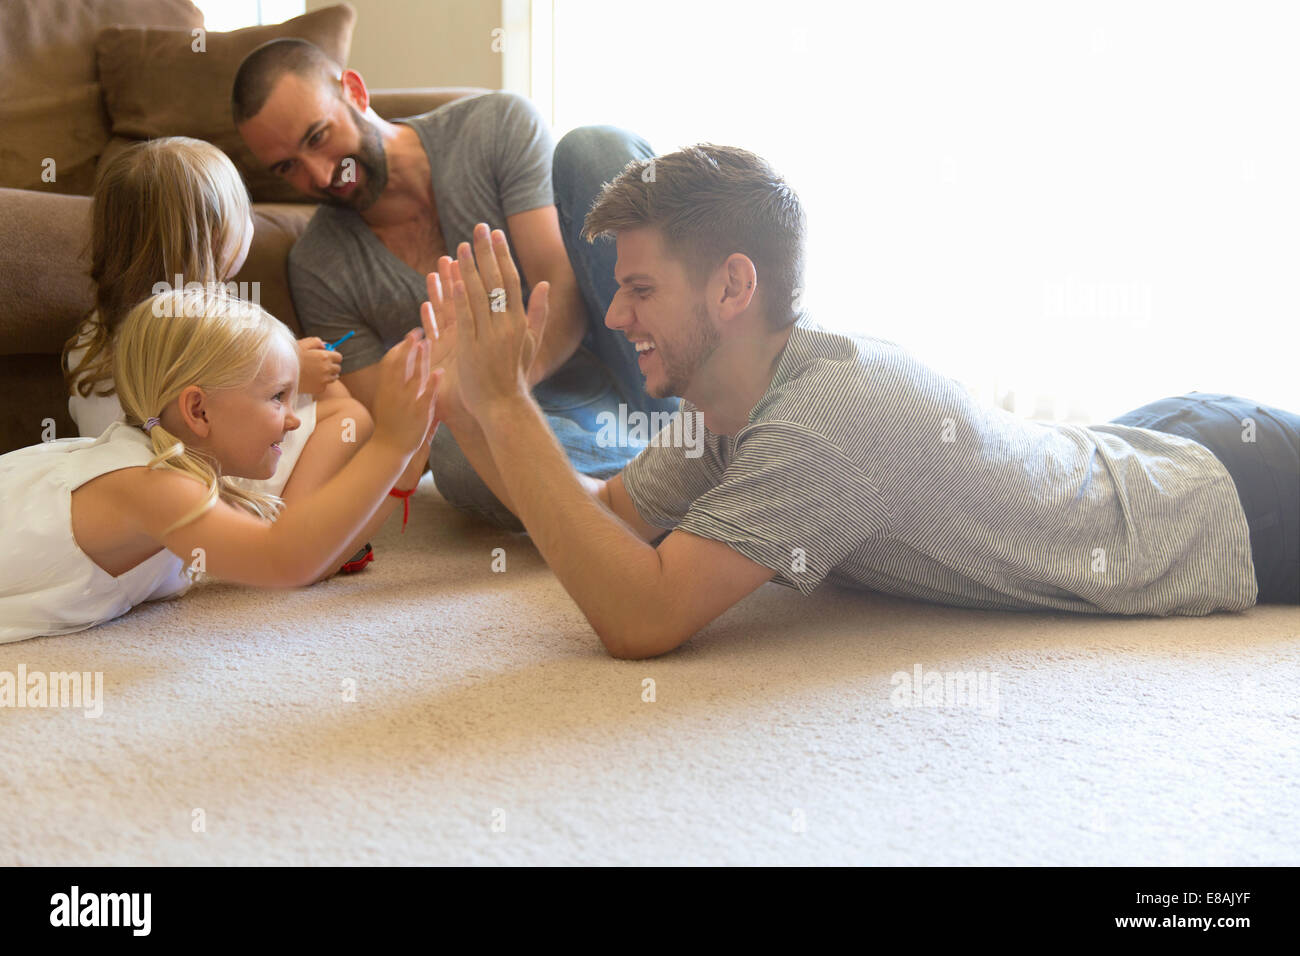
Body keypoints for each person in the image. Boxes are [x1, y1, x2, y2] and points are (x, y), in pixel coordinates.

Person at [420, 144, 1299, 660]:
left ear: (733, 288)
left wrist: (509, 399)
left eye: (640, 290)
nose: (614, 316)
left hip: (1236, 500)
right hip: (1140, 443)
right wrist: (469, 405)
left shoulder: (826, 419)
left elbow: (640, 616)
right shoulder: (729, 403)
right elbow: (605, 518)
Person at [230, 38, 677, 529]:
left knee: (595, 147)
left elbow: (562, 289)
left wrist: (503, 384)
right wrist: (496, 404)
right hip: (554, 423)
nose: (318, 174)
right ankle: (671, 483)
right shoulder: (318, 264)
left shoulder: (495, 125)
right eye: (286, 167)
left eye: (317, 137)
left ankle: (686, 434)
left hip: (626, 351)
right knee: (457, 459)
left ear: (354, 92)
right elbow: (395, 412)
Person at [1, 289, 439, 644]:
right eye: (278, 396)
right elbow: (284, 561)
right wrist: (391, 443)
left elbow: (310, 558)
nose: (292, 418)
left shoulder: (188, 473)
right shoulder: (152, 485)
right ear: (199, 411)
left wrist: (416, 446)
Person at [62, 138, 375, 553]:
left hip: (131, 487)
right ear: (213, 238)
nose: (251, 225)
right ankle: (289, 535)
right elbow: (218, 419)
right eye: (243, 215)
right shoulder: (211, 325)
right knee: (351, 414)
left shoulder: (91, 332)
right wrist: (292, 376)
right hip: (201, 482)